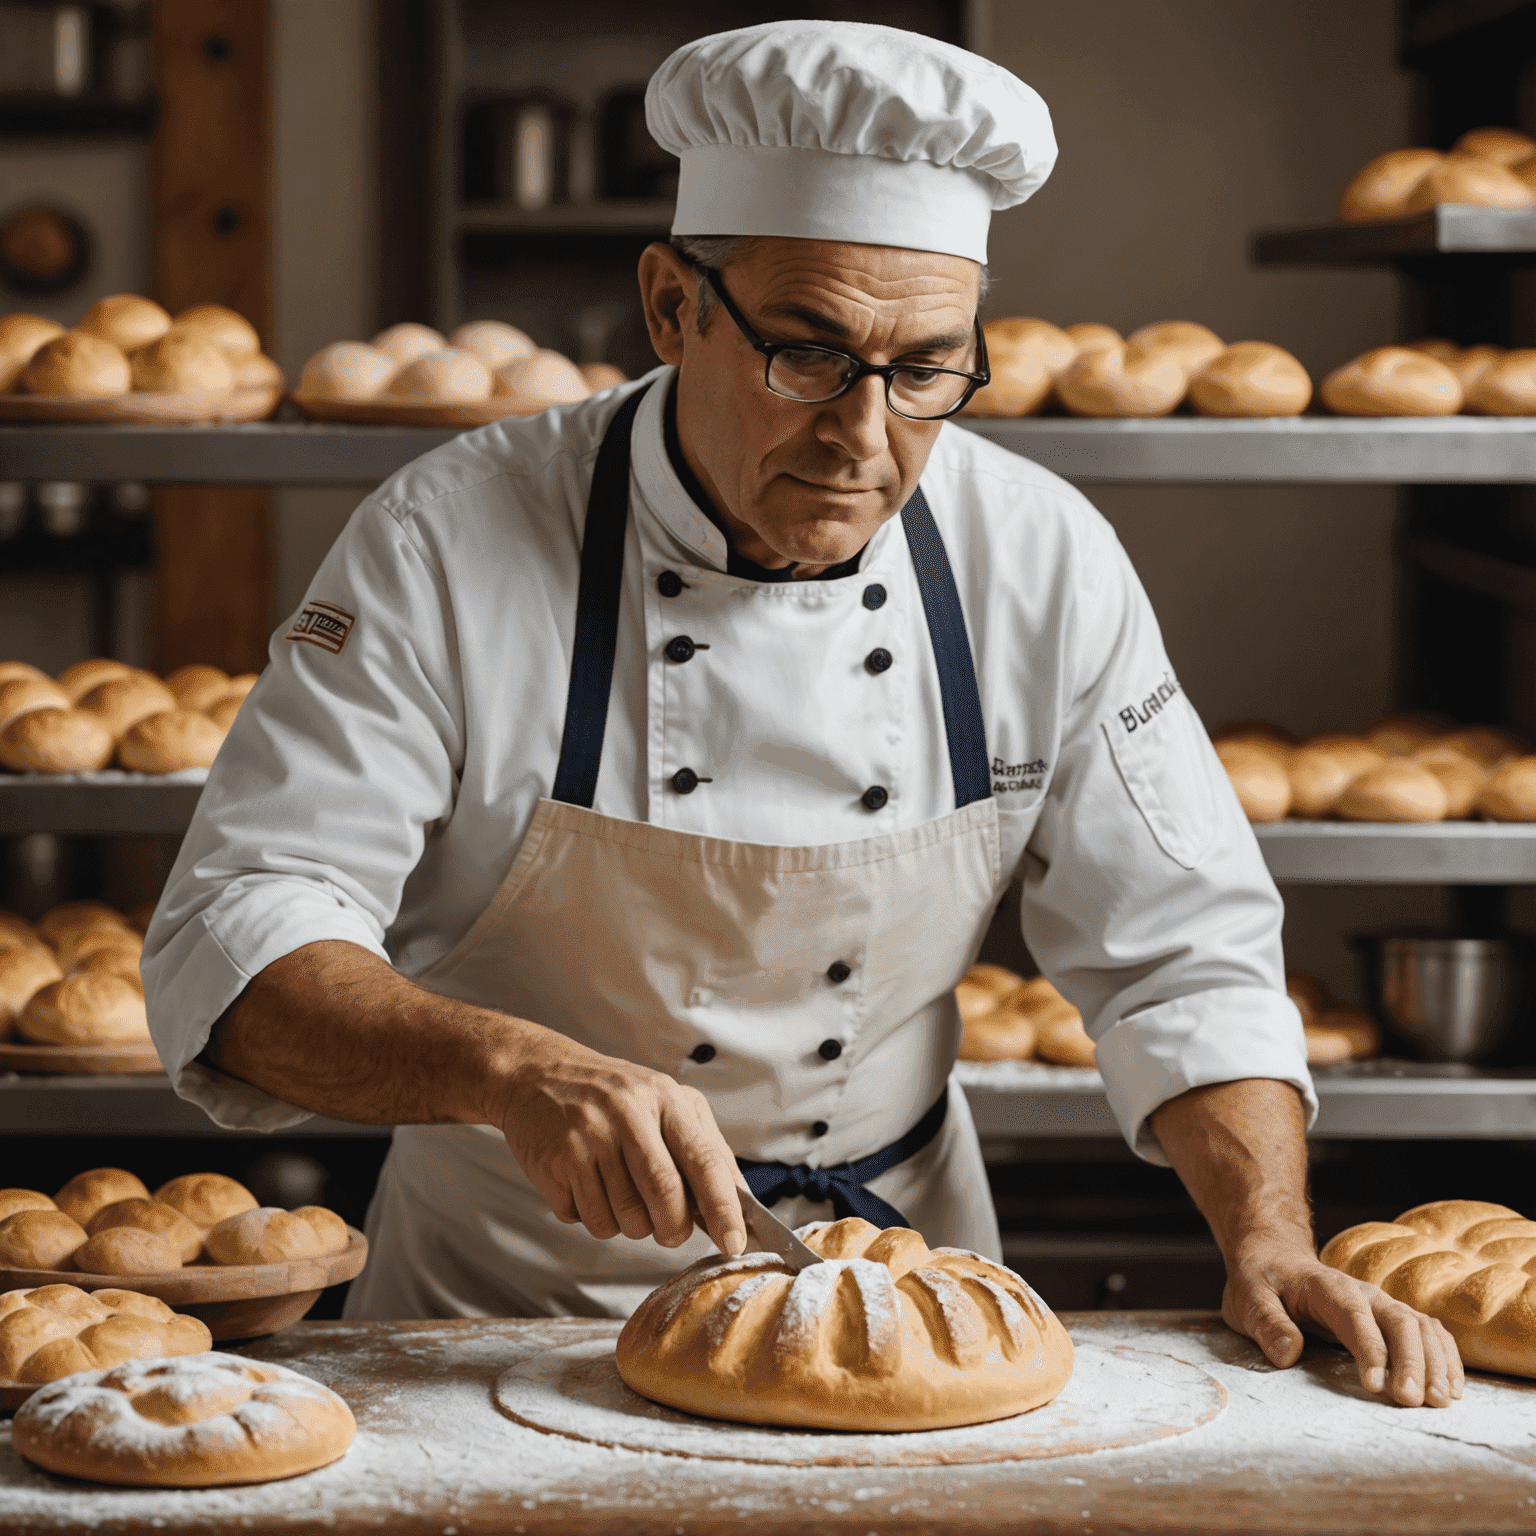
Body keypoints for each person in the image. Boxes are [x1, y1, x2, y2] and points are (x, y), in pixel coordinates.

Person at [144, 20, 1461, 1408]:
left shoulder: (1039, 554)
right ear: (669, 306)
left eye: (926, 374)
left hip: (905, 1308)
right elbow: (243, 937)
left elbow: (1183, 953)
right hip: (511, 1313)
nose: (863, 437)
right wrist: (509, 1066)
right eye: (809, 356)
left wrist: (1269, 1237)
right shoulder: (444, 542)